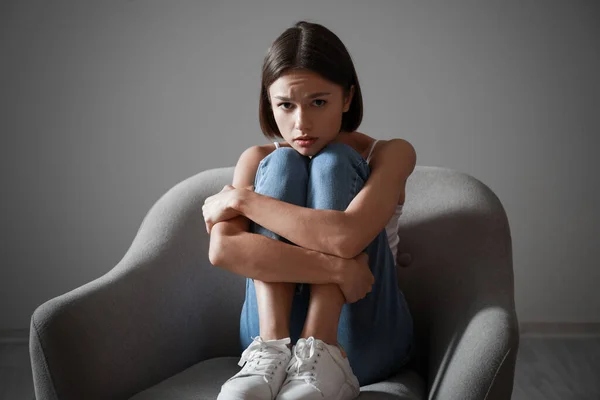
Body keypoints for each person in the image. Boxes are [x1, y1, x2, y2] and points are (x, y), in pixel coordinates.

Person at [202, 20, 416, 400]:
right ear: (270, 102)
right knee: (281, 165)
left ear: (347, 98)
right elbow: (223, 250)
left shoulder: (391, 153)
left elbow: (345, 235)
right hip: (269, 346)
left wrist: (243, 200)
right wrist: (337, 268)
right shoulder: (257, 160)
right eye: (285, 104)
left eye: (319, 102)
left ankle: (324, 349)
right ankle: (270, 350)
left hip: (364, 335)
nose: (301, 123)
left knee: (334, 161)